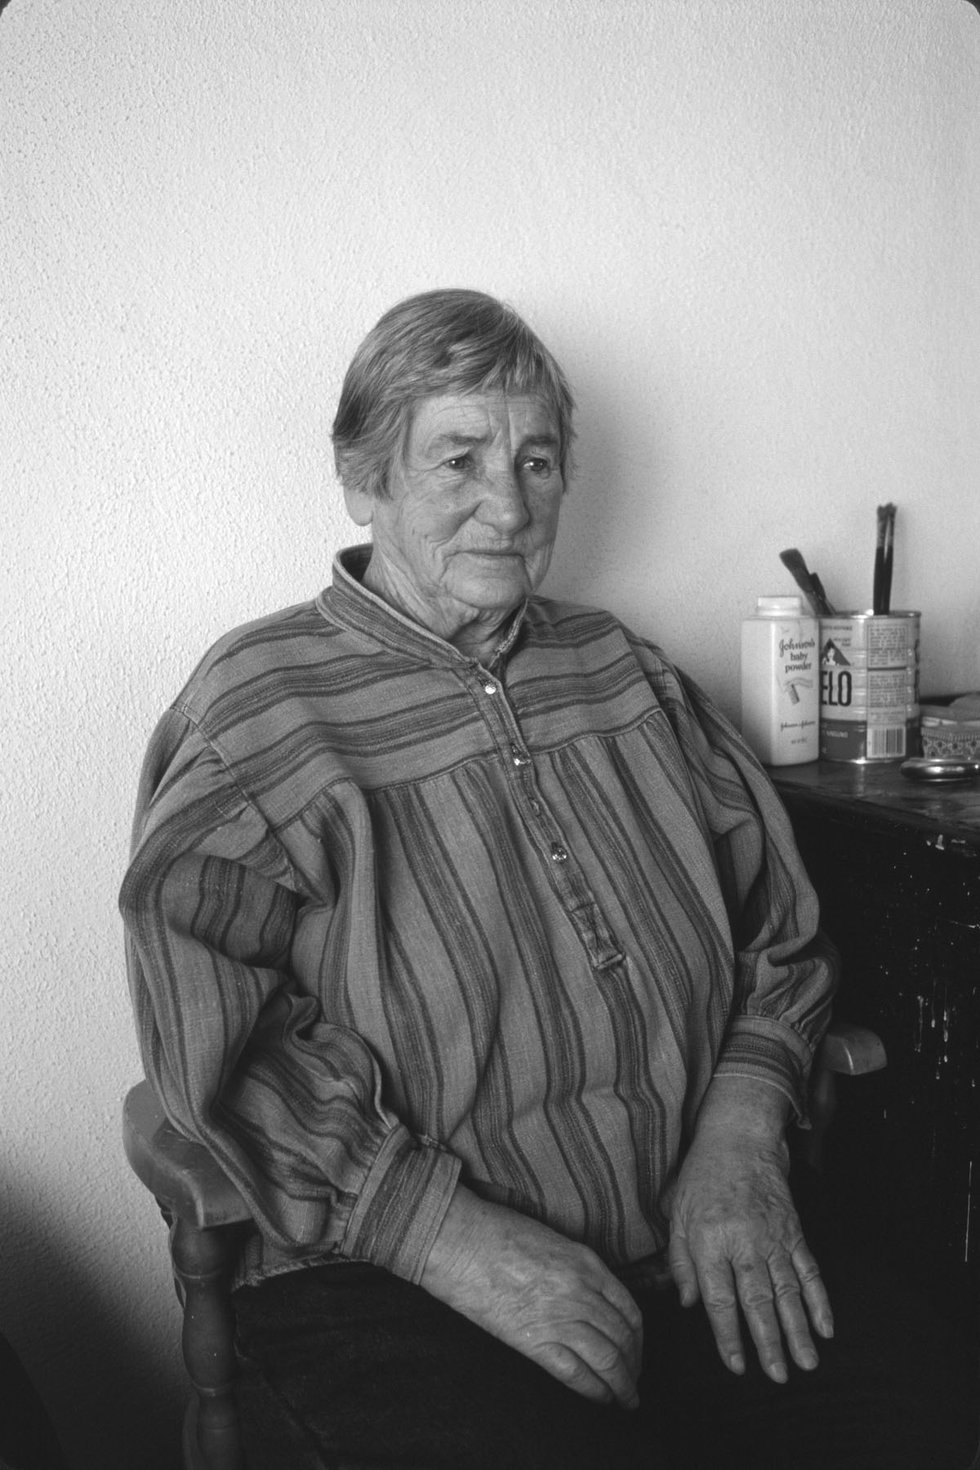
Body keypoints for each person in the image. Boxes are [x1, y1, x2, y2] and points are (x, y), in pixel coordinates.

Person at [120, 290, 970, 1469]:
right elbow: (215, 1030)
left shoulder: (621, 669)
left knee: (933, 1415)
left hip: (694, 1228)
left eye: (536, 459)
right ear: (364, 474)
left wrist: (737, 1132)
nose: (509, 505)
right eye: (458, 458)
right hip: (397, 1279)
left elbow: (778, 936)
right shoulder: (259, 714)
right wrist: (447, 1240)